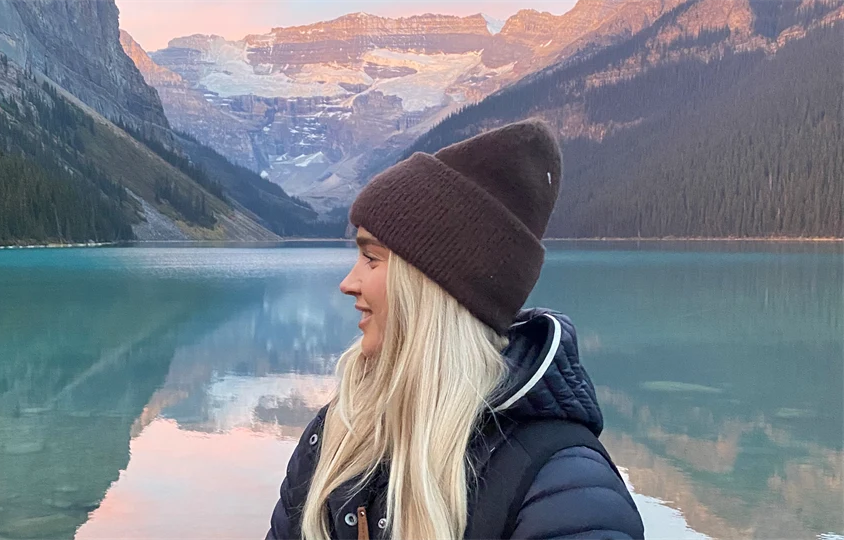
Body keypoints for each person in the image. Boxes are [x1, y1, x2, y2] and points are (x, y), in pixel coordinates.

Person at [265, 120, 645, 540]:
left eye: (372, 258)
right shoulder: (338, 434)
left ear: (433, 289)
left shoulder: (563, 490)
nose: (348, 282)